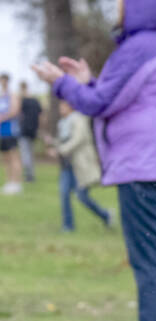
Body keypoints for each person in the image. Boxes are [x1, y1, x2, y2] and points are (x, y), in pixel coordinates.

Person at [33, 0, 156, 321]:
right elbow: (121, 95)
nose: (118, 3)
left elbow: (99, 104)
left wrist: (62, 84)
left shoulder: (139, 48)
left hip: (143, 161)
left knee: (148, 260)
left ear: (139, 4)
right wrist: (88, 80)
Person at [50, 98, 112, 231]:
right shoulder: (63, 122)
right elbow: (64, 140)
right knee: (64, 194)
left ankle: (105, 215)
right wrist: (54, 144)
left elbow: (78, 139)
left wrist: (61, 150)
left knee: (82, 196)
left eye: (63, 106)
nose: (61, 109)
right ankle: (68, 226)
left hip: (80, 164)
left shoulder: (79, 119)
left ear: (71, 106)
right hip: (66, 165)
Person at [0, 73, 20, 195]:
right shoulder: (1, 97)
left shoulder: (12, 96)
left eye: (4, 81)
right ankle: (9, 181)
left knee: (14, 157)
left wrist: (2, 118)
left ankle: (16, 183)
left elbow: (14, 111)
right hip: (2, 132)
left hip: (10, 131)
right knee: (5, 157)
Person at [18, 82, 41, 183]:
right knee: (30, 154)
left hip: (24, 130)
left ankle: (28, 176)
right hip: (33, 130)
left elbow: (18, 113)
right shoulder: (35, 101)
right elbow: (40, 114)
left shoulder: (23, 101)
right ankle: (31, 175)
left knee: (25, 154)